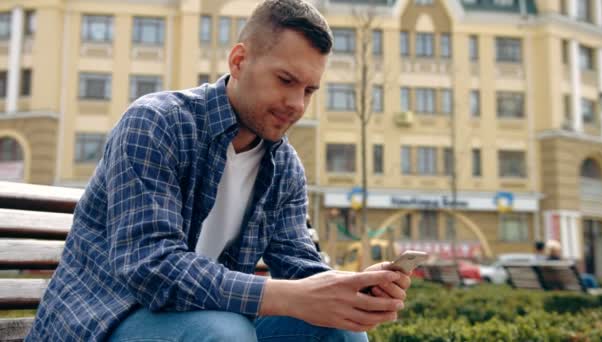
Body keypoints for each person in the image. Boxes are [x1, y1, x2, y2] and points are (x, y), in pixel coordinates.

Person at [26, 1, 410, 341]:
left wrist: (354, 286)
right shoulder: (157, 124)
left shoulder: (284, 165)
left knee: (340, 332)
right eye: (286, 80)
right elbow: (151, 268)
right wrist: (283, 296)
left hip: (203, 323)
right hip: (104, 319)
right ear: (239, 61)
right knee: (225, 331)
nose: (296, 104)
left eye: (309, 90)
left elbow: (299, 266)